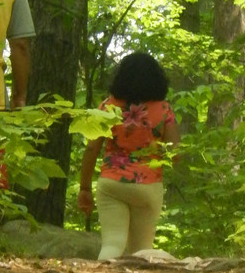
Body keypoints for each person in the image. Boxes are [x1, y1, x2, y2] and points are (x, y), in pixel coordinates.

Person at [77, 52, 181, 260]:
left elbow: (91, 149)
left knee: (112, 243)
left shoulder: (107, 107)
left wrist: (85, 188)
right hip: (148, 186)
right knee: (142, 250)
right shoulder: (164, 110)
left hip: (112, 184)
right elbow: (175, 153)